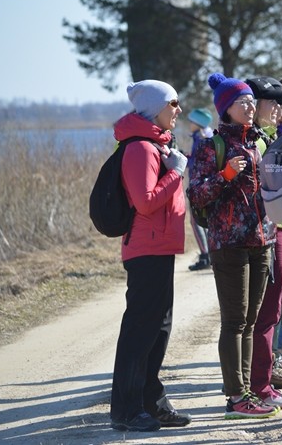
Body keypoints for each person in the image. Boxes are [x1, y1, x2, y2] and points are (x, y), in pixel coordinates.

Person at [187, 73, 278, 419]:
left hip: (262, 240)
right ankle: (235, 397)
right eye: (243, 102)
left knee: (252, 321)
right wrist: (225, 175)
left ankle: (251, 392)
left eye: (252, 102)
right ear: (226, 109)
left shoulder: (259, 141)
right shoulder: (212, 145)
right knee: (235, 321)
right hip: (229, 243)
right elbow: (196, 193)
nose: (251, 106)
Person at [110, 80, 192, 432]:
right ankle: (127, 410)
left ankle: (151, 402)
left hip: (159, 247)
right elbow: (145, 202)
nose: (178, 109)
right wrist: (176, 172)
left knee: (158, 330)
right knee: (141, 331)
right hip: (145, 250)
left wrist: (172, 166)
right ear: (155, 107)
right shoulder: (141, 149)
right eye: (173, 103)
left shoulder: (157, 144)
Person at [244, 76, 282, 407]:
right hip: (264, 234)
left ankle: (261, 382)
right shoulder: (256, 142)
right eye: (274, 104)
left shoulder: (268, 138)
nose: (281, 111)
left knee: (272, 310)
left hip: (277, 230)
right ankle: (257, 387)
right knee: (263, 313)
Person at [186, 108, 214, 271]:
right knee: (203, 221)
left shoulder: (200, 138)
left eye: (191, 121)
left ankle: (205, 256)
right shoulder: (207, 134)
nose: (189, 124)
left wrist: (182, 160)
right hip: (206, 185)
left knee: (195, 221)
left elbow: (198, 163)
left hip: (198, 186)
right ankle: (208, 254)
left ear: (198, 123)